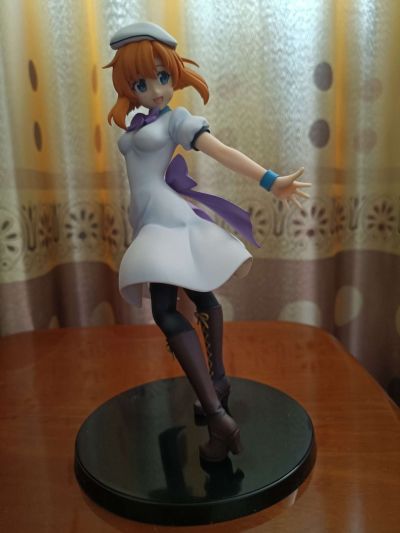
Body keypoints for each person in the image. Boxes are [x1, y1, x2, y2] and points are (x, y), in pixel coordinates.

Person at [105, 22, 310, 462]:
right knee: (198, 294)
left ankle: (217, 414)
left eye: (163, 77)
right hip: (151, 219)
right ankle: (218, 381)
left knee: (166, 310)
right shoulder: (139, 122)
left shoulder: (177, 120)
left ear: (174, 75)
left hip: (165, 221)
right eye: (142, 83)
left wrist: (270, 180)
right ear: (128, 86)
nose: (156, 90)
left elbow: (220, 151)